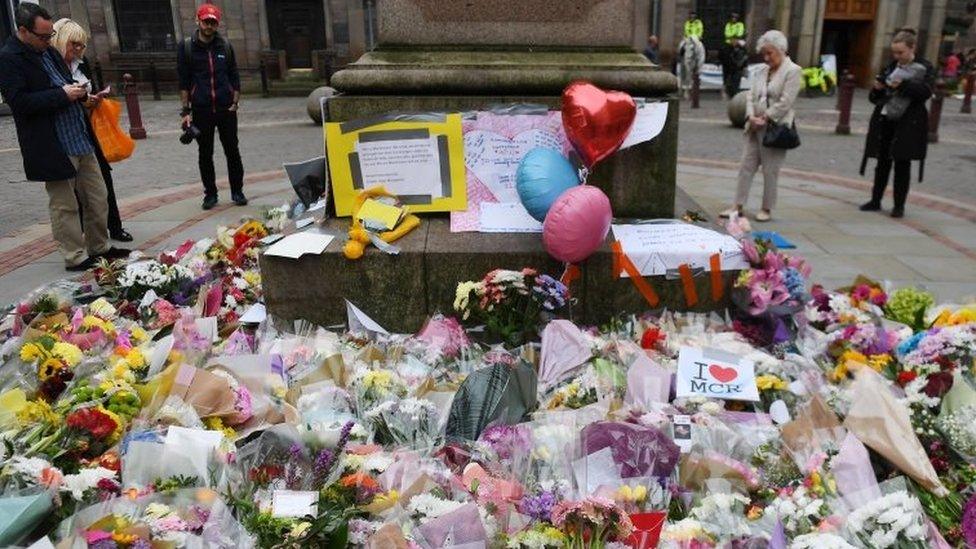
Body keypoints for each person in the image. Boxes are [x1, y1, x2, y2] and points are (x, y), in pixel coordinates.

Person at [0, 4, 129, 271]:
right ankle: (75, 255)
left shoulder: (48, 52)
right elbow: (19, 102)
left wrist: (81, 94)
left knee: (97, 196)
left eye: (50, 36)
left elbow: (64, 80)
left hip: (79, 135)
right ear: (23, 31)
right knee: (65, 204)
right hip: (52, 144)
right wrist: (62, 94)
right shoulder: (9, 58)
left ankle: (100, 247)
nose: (48, 42)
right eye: (43, 37)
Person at [51, 18, 133, 242]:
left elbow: (89, 91)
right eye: (73, 44)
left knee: (102, 181)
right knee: (72, 190)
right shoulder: (50, 66)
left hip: (89, 129)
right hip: (65, 135)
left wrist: (93, 98)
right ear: (60, 40)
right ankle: (80, 235)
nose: (78, 49)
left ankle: (113, 226)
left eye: (81, 45)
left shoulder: (82, 63)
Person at [720, 30, 802, 223]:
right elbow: (750, 95)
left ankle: (767, 207)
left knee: (770, 170)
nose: (766, 58)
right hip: (753, 127)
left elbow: (786, 102)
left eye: (769, 53)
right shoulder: (762, 71)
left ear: (781, 50)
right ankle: (737, 205)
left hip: (775, 129)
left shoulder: (793, 71)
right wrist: (750, 116)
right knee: (745, 166)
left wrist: (765, 117)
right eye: (763, 53)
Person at [177, 3, 246, 211]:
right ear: (198, 21)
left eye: (213, 22)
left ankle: (237, 191)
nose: (209, 25)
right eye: (206, 21)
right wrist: (185, 111)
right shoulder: (187, 47)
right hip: (202, 108)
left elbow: (234, 75)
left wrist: (235, 102)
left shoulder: (224, 46)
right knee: (205, 153)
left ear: (217, 23)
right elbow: (184, 81)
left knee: (232, 151)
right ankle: (210, 194)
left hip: (226, 108)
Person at [859, 29, 934, 218]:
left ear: (912, 48)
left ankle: (899, 205)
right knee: (882, 161)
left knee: (902, 163)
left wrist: (901, 85)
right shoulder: (891, 66)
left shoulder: (924, 67)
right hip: (885, 119)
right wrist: (877, 89)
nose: (897, 56)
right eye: (894, 52)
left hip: (908, 123)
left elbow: (925, 92)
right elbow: (876, 98)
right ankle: (875, 200)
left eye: (901, 52)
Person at [677, 34, 706, 100]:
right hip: (687, 53)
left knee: (695, 77)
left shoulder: (699, 47)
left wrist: (698, 66)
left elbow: (701, 58)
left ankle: (693, 92)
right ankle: (682, 89)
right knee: (683, 74)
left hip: (695, 45)